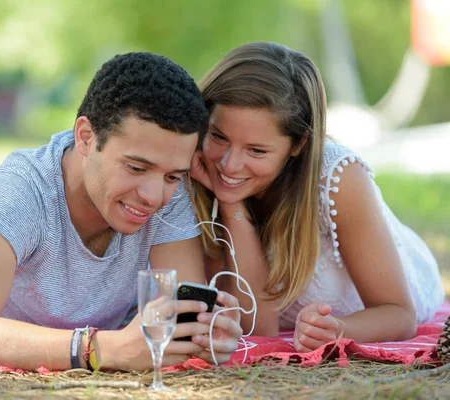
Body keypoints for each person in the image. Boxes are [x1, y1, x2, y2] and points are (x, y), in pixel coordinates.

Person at [0, 52, 242, 371]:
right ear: (85, 138)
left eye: (173, 176)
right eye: (136, 167)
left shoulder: (169, 191)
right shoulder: (16, 193)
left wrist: (204, 335)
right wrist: (101, 349)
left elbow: (177, 319)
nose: (153, 196)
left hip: (80, 292)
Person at [190, 42, 444, 352]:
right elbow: (259, 326)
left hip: (394, 294)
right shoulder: (198, 168)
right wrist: (230, 205)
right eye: (219, 136)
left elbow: (401, 315)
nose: (229, 164)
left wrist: (339, 329)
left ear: (299, 145)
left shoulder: (337, 179)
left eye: (256, 150)